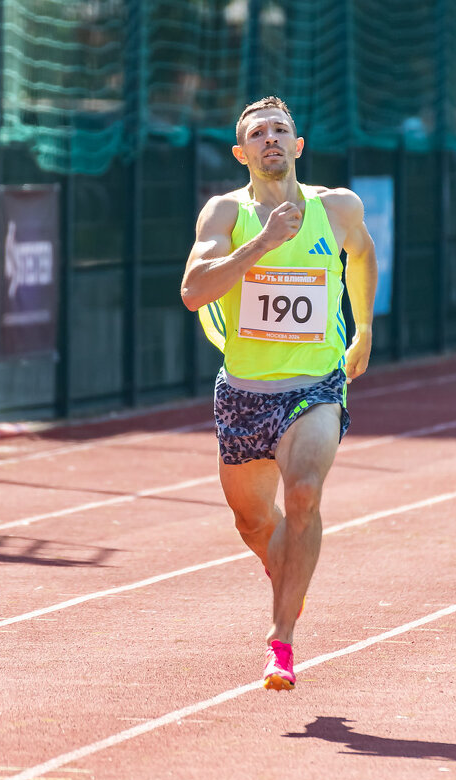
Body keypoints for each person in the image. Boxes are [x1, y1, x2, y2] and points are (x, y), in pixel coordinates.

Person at [180, 97, 378, 691]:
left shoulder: (337, 208)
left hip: (315, 383)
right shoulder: (225, 214)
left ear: (298, 146)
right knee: (250, 518)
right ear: (242, 153)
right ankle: (284, 567)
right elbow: (193, 291)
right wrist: (261, 244)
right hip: (244, 390)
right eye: (258, 133)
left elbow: (363, 256)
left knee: (304, 494)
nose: (271, 139)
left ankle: (281, 642)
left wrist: (364, 328)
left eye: (281, 130)